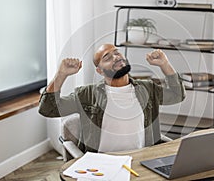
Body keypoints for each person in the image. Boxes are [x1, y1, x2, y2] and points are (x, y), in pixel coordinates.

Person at [38, 44, 186, 153]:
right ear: (99, 70)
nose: (116, 57)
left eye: (117, 53)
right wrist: (61, 74)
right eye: (107, 57)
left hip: (140, 160)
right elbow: (47, 109)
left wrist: (164, 64)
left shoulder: (147, 88)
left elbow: (177, 95)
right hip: (102, 162)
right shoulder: (86, 94)